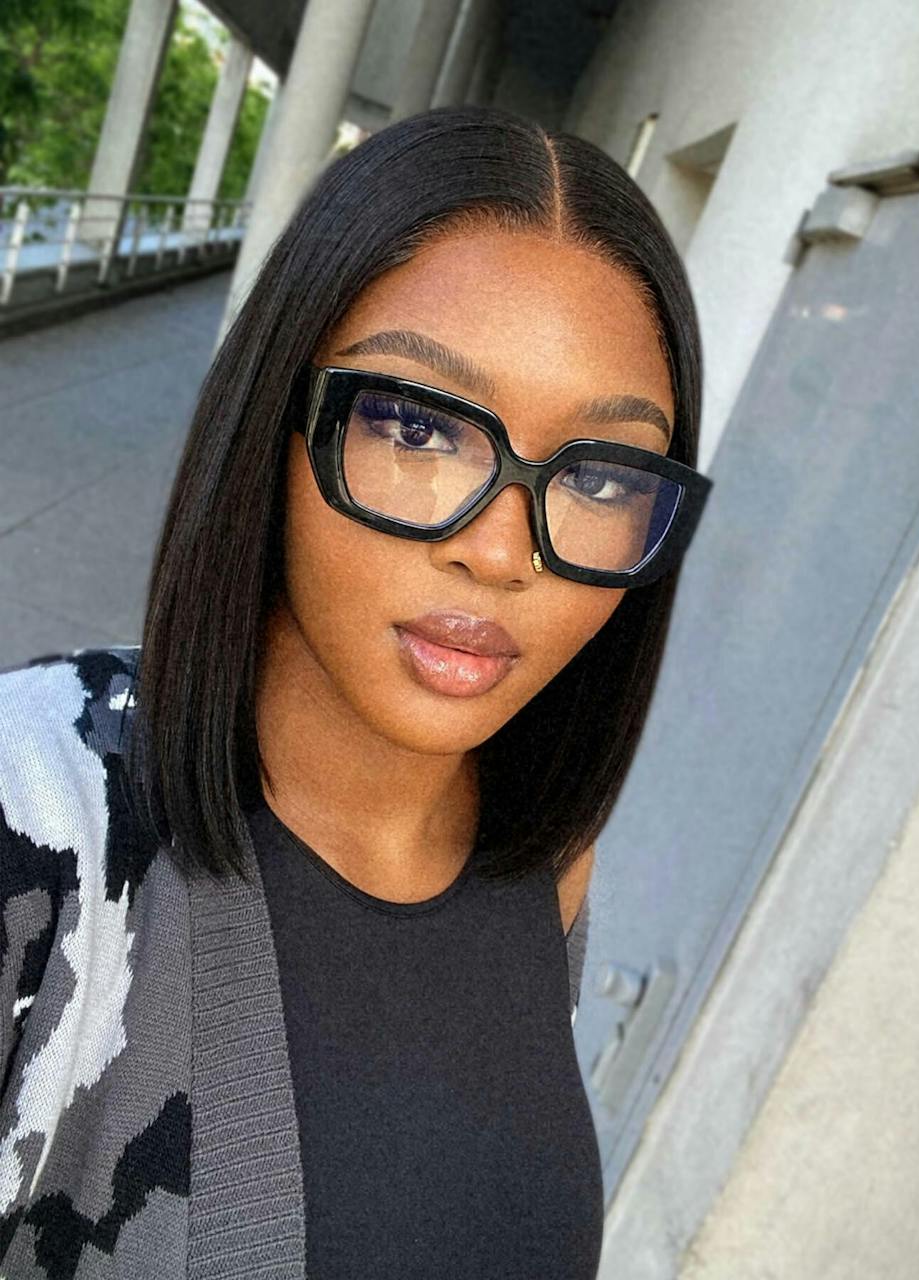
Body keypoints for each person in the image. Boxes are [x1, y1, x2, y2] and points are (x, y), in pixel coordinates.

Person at [0, 103, 711, 1278]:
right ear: (274, 417)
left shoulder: (544, 857)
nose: (500, 551)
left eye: (597, 476)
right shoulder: (38, 822)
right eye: (417, 426)